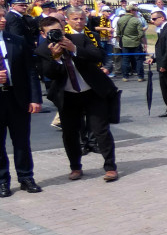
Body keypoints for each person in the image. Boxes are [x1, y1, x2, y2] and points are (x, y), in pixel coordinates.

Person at [35, 13, 118, 182]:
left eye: (59, 31)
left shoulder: (78, 39)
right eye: (51, 33)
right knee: (69, 133)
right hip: (68, 95)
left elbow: (98, 56)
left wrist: (74, 49)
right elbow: (48, 74)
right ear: (43, 34)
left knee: (100, 130)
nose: (57, 35)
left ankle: (110, 167)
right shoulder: (43, 50)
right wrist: (56, 59)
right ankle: (75, 167)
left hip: (92, 92)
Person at [0, 12, 43, 197]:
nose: (3, 19)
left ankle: (26, 177)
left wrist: (35, 98)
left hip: (17, 98)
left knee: (22, 141)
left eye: (3, 15)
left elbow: (30, 70)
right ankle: (2, 181)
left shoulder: (16, 40)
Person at [116, 4, 146, 81]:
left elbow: (118, 33)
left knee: (125, 59)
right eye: (135, 10)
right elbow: (141, 33)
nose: (136, 12)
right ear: (132, 11)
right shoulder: (136, 20)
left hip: (125, 42)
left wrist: (121, 41)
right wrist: (138, 39)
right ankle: (140, 76)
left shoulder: (120, 19)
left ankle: (125, 76)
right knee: (138, 60)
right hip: (135, 42)